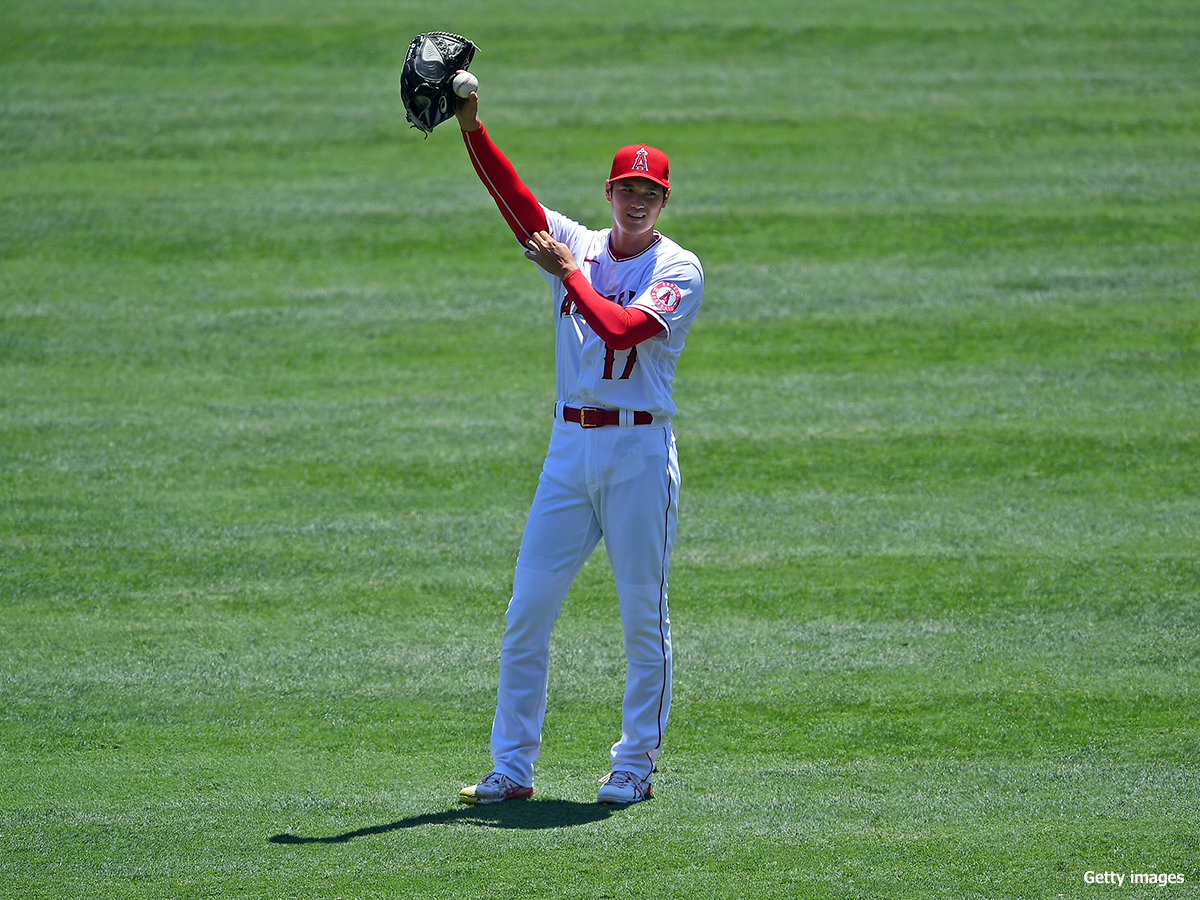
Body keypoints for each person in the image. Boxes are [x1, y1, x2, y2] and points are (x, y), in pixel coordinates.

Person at [452, 85, 703, 805]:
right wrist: (474, 126)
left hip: (639, 456)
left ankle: (634, 764)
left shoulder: (678, 270)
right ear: (610, 191)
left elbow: (623, 330)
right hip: (567, 452)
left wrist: (566, 272)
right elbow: (513, 197)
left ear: (663, 201)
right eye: (628, 187)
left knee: (641, 619)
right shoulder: (579, 241)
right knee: (527, 609)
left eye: (649, 191)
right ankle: (511, 767)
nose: (637, 200)